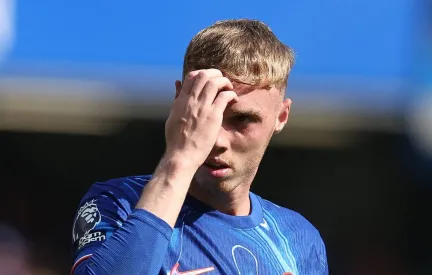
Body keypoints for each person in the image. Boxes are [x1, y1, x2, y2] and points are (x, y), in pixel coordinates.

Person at [71, 19, 328, 275]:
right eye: (206, 114)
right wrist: (179, 161)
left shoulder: (298, 239)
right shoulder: (120, 201)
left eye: (242, 119)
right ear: (180, 102)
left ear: (281, 117)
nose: (216, 139)